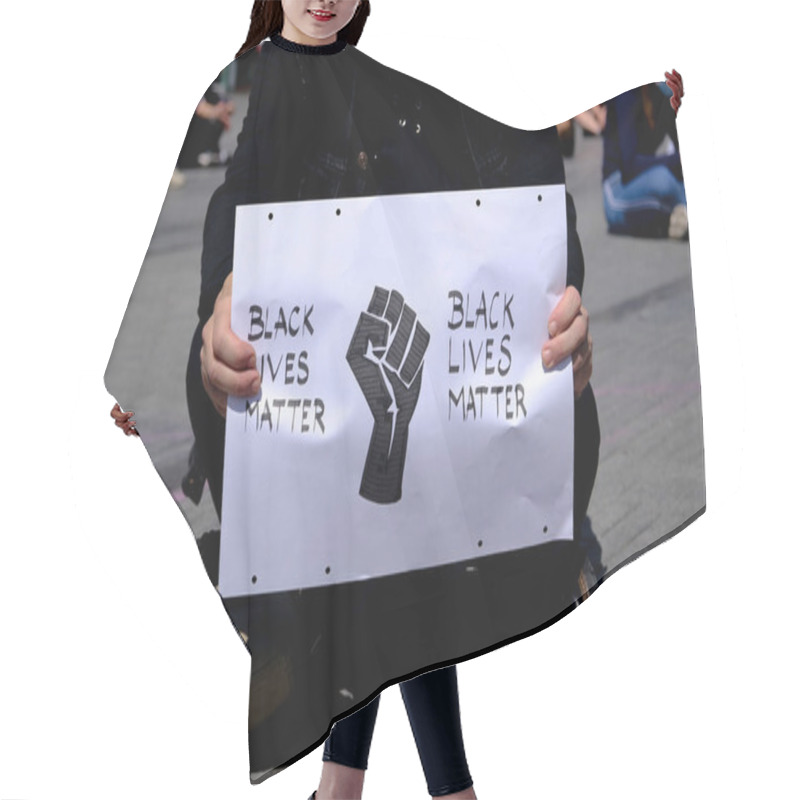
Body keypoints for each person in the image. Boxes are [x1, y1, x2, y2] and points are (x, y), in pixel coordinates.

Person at [109, 2, 681, 795]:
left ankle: (355, 783)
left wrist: (565, 290)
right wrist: (217, 304)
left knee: (393, 518)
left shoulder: (429, 60)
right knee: (381, 521)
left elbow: (518, 172)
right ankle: (416, 786)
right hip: (354, 410)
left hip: (436, 398)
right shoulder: (282, 72)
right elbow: (239, 194)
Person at [602, 68, 687, 238]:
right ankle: (677, 217)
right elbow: (630, 166)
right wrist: (676, 161)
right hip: (617, 192)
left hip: (645, 183)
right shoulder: (625, 97)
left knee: (673, 184)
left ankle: (679, 216)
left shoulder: (656, 96)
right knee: (664, 179)